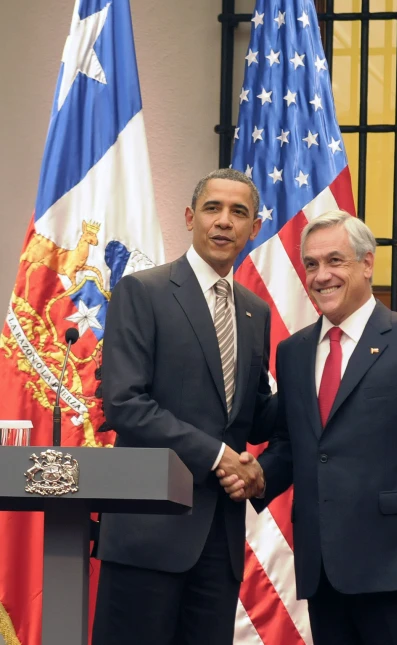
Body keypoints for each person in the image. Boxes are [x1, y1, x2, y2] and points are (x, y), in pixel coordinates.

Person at [218, 211, 397, 645]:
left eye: (335, 261)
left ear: (367, 264)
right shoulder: (293, 352)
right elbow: (295, 443)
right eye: (312, 265)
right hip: (323, 567)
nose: (322, 276)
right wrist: (259, 478)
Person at [92, 169, 274, 645]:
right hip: (149, 531)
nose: (224, 222)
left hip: (220, 538)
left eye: (239, 213)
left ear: (254, 229)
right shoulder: (143, 291)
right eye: (213, 209)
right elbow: (124, 402)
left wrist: (319, 389)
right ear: (191, 217)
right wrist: (218, 456)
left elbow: (251, 411)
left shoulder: (256, 311)